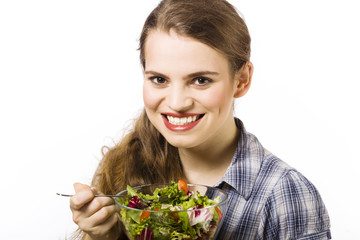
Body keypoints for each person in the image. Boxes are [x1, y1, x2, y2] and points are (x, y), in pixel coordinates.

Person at [69, 0, 331, 239]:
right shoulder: (124, 166)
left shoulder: (285, 194)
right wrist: (100, 236)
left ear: (242, 80)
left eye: (201, 80)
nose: (177, 103)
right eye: (159, 79)